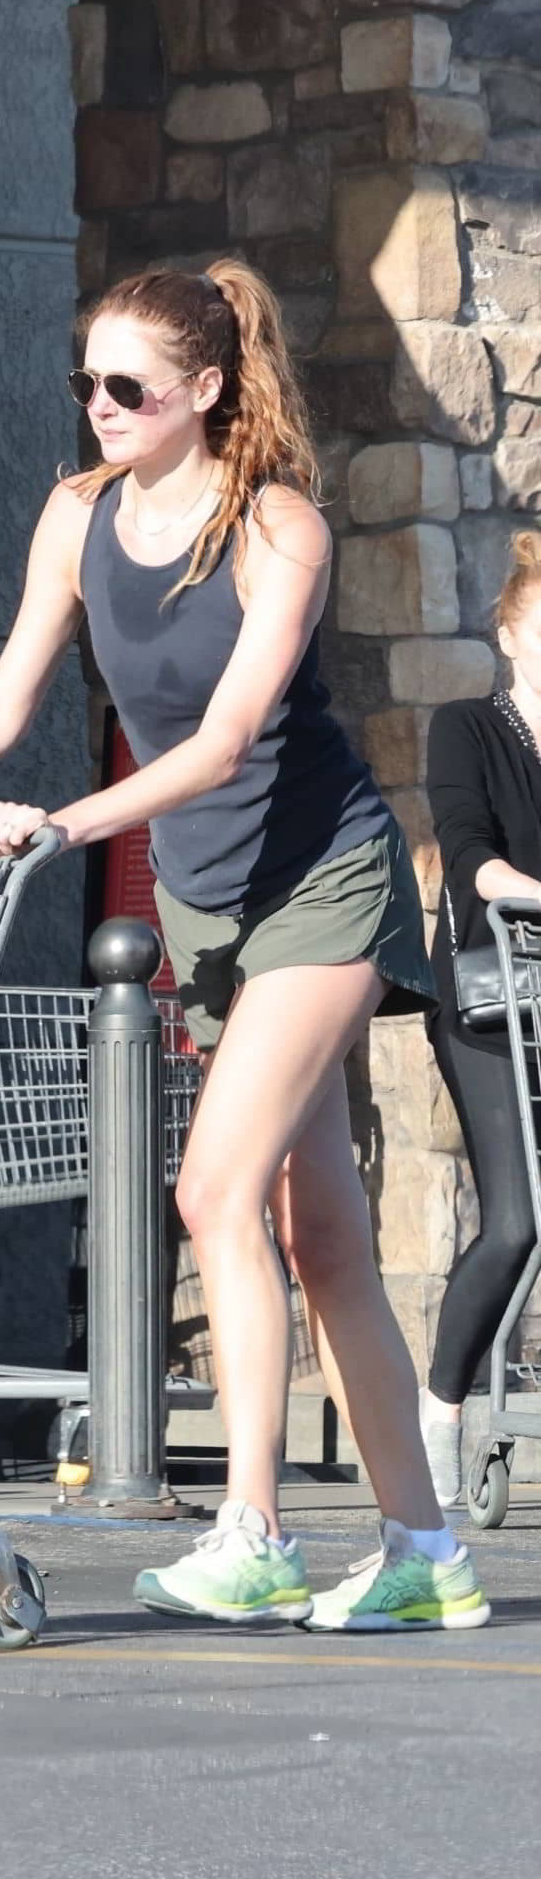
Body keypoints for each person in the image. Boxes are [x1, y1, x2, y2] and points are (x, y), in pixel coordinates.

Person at [0, 259, 490, 1631]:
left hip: (322, 882)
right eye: (85, 381)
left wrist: (63, 823)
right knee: (318, 1232)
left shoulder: (279, 529)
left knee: (214, 1190)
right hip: (208, 909)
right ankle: (428, 1555)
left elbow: (221, 742)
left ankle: (255, 1530)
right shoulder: (76, 516)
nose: (100, 405)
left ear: (205, 390)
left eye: (129, 386)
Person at [420, 531, 541, 1508]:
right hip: (491, 1000)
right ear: (509, 635)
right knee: (515, 1220)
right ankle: (441, 1408)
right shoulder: (466, 727)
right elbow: (471, 859)